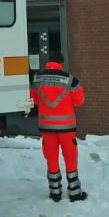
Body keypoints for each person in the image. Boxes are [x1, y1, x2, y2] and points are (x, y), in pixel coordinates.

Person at [30, 51, 87, 202]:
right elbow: (80, 101)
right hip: (66, 128)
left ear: (48, 61)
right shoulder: (70, 80)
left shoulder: (37, 79)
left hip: (47, 128)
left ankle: (55, 193)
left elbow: (33, 99)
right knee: (70, 157)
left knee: (51, 158)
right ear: (61, 63)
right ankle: (74, 193)